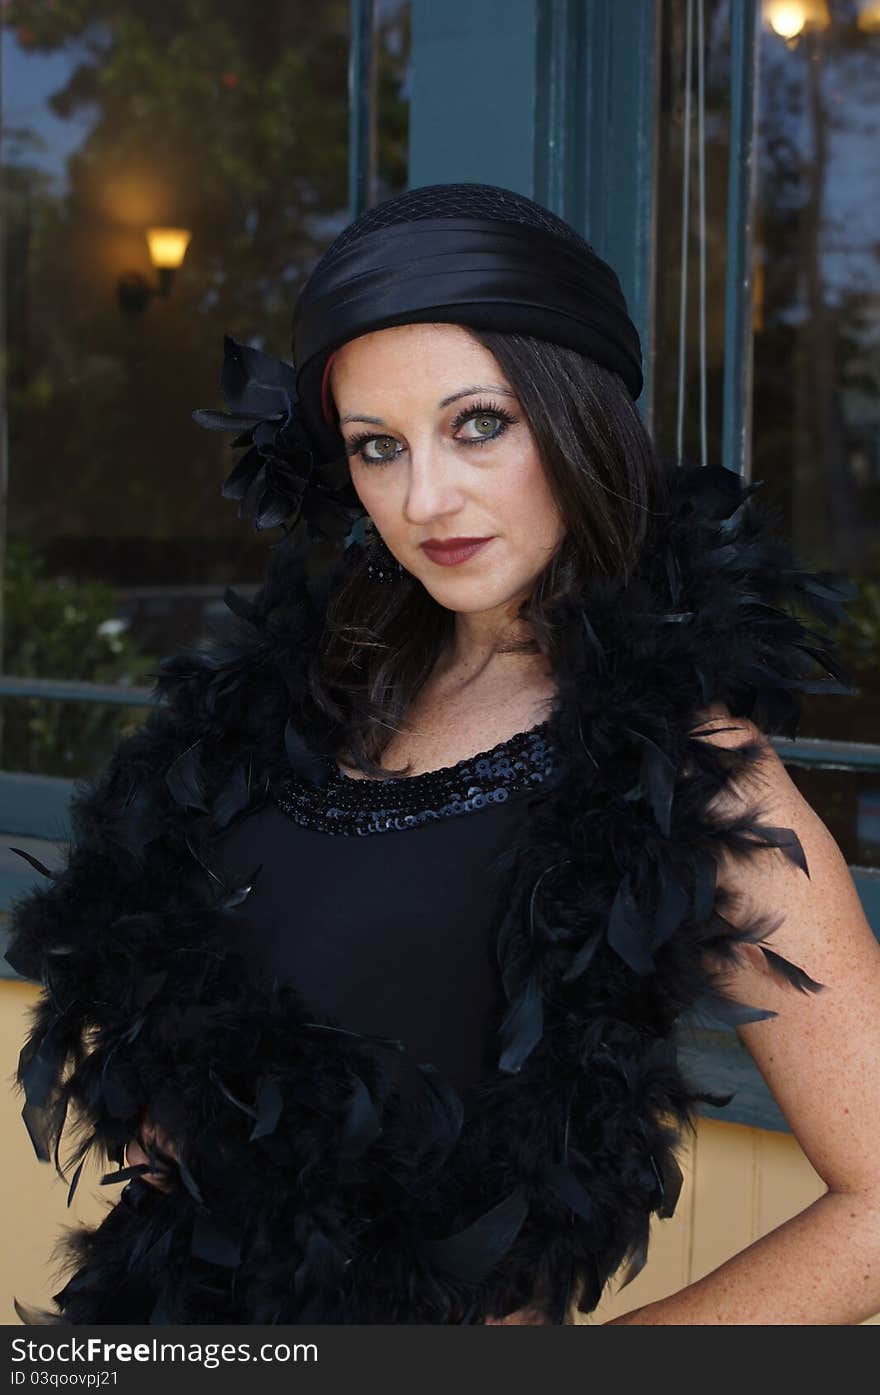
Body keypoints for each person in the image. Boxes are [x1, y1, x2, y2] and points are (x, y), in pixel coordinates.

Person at [7, 183, 880, 1327]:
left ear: (576, 416)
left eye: (479, 423)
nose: (425, 498)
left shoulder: (684, 761)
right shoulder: (304, 696)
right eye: (378, 446)